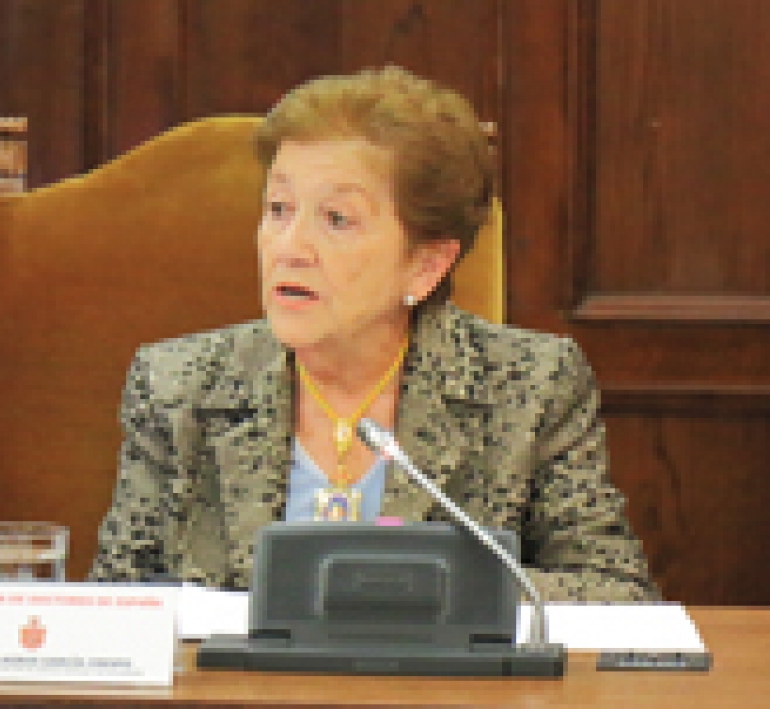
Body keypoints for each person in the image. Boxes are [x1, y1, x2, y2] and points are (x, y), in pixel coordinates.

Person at [88, 66, 660, 602]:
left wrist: (409, 598)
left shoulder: (531, 387)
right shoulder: (177, 389)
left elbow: (615, 593)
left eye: (336, 219)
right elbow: (117, 604)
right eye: (279, 208)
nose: (289, 247)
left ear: (426, 265)